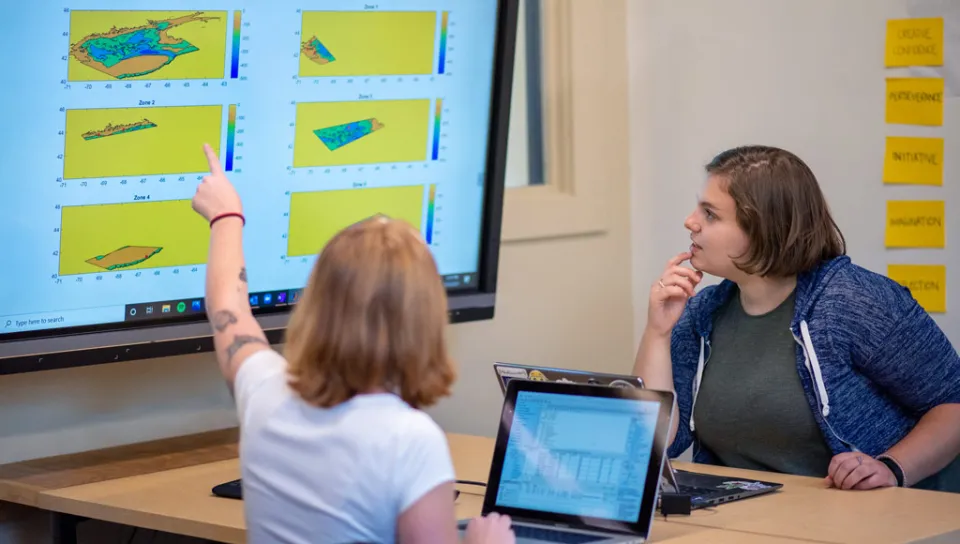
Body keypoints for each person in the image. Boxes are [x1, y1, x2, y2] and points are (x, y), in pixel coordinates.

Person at [190, 144, 515, 543]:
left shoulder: (265, 394)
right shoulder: (409, 440)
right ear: (423, 322)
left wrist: (226, 216)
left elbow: (228, 305)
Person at [633, 145, 960, 492]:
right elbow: (653, 444)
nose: (690, 221)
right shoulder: (704, 311)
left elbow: (952, 402)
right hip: (749, 521)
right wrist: (657, 333)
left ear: (763, 229)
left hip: (860, 519)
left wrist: (892, 468)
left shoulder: (853, 299)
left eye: (710, 214)